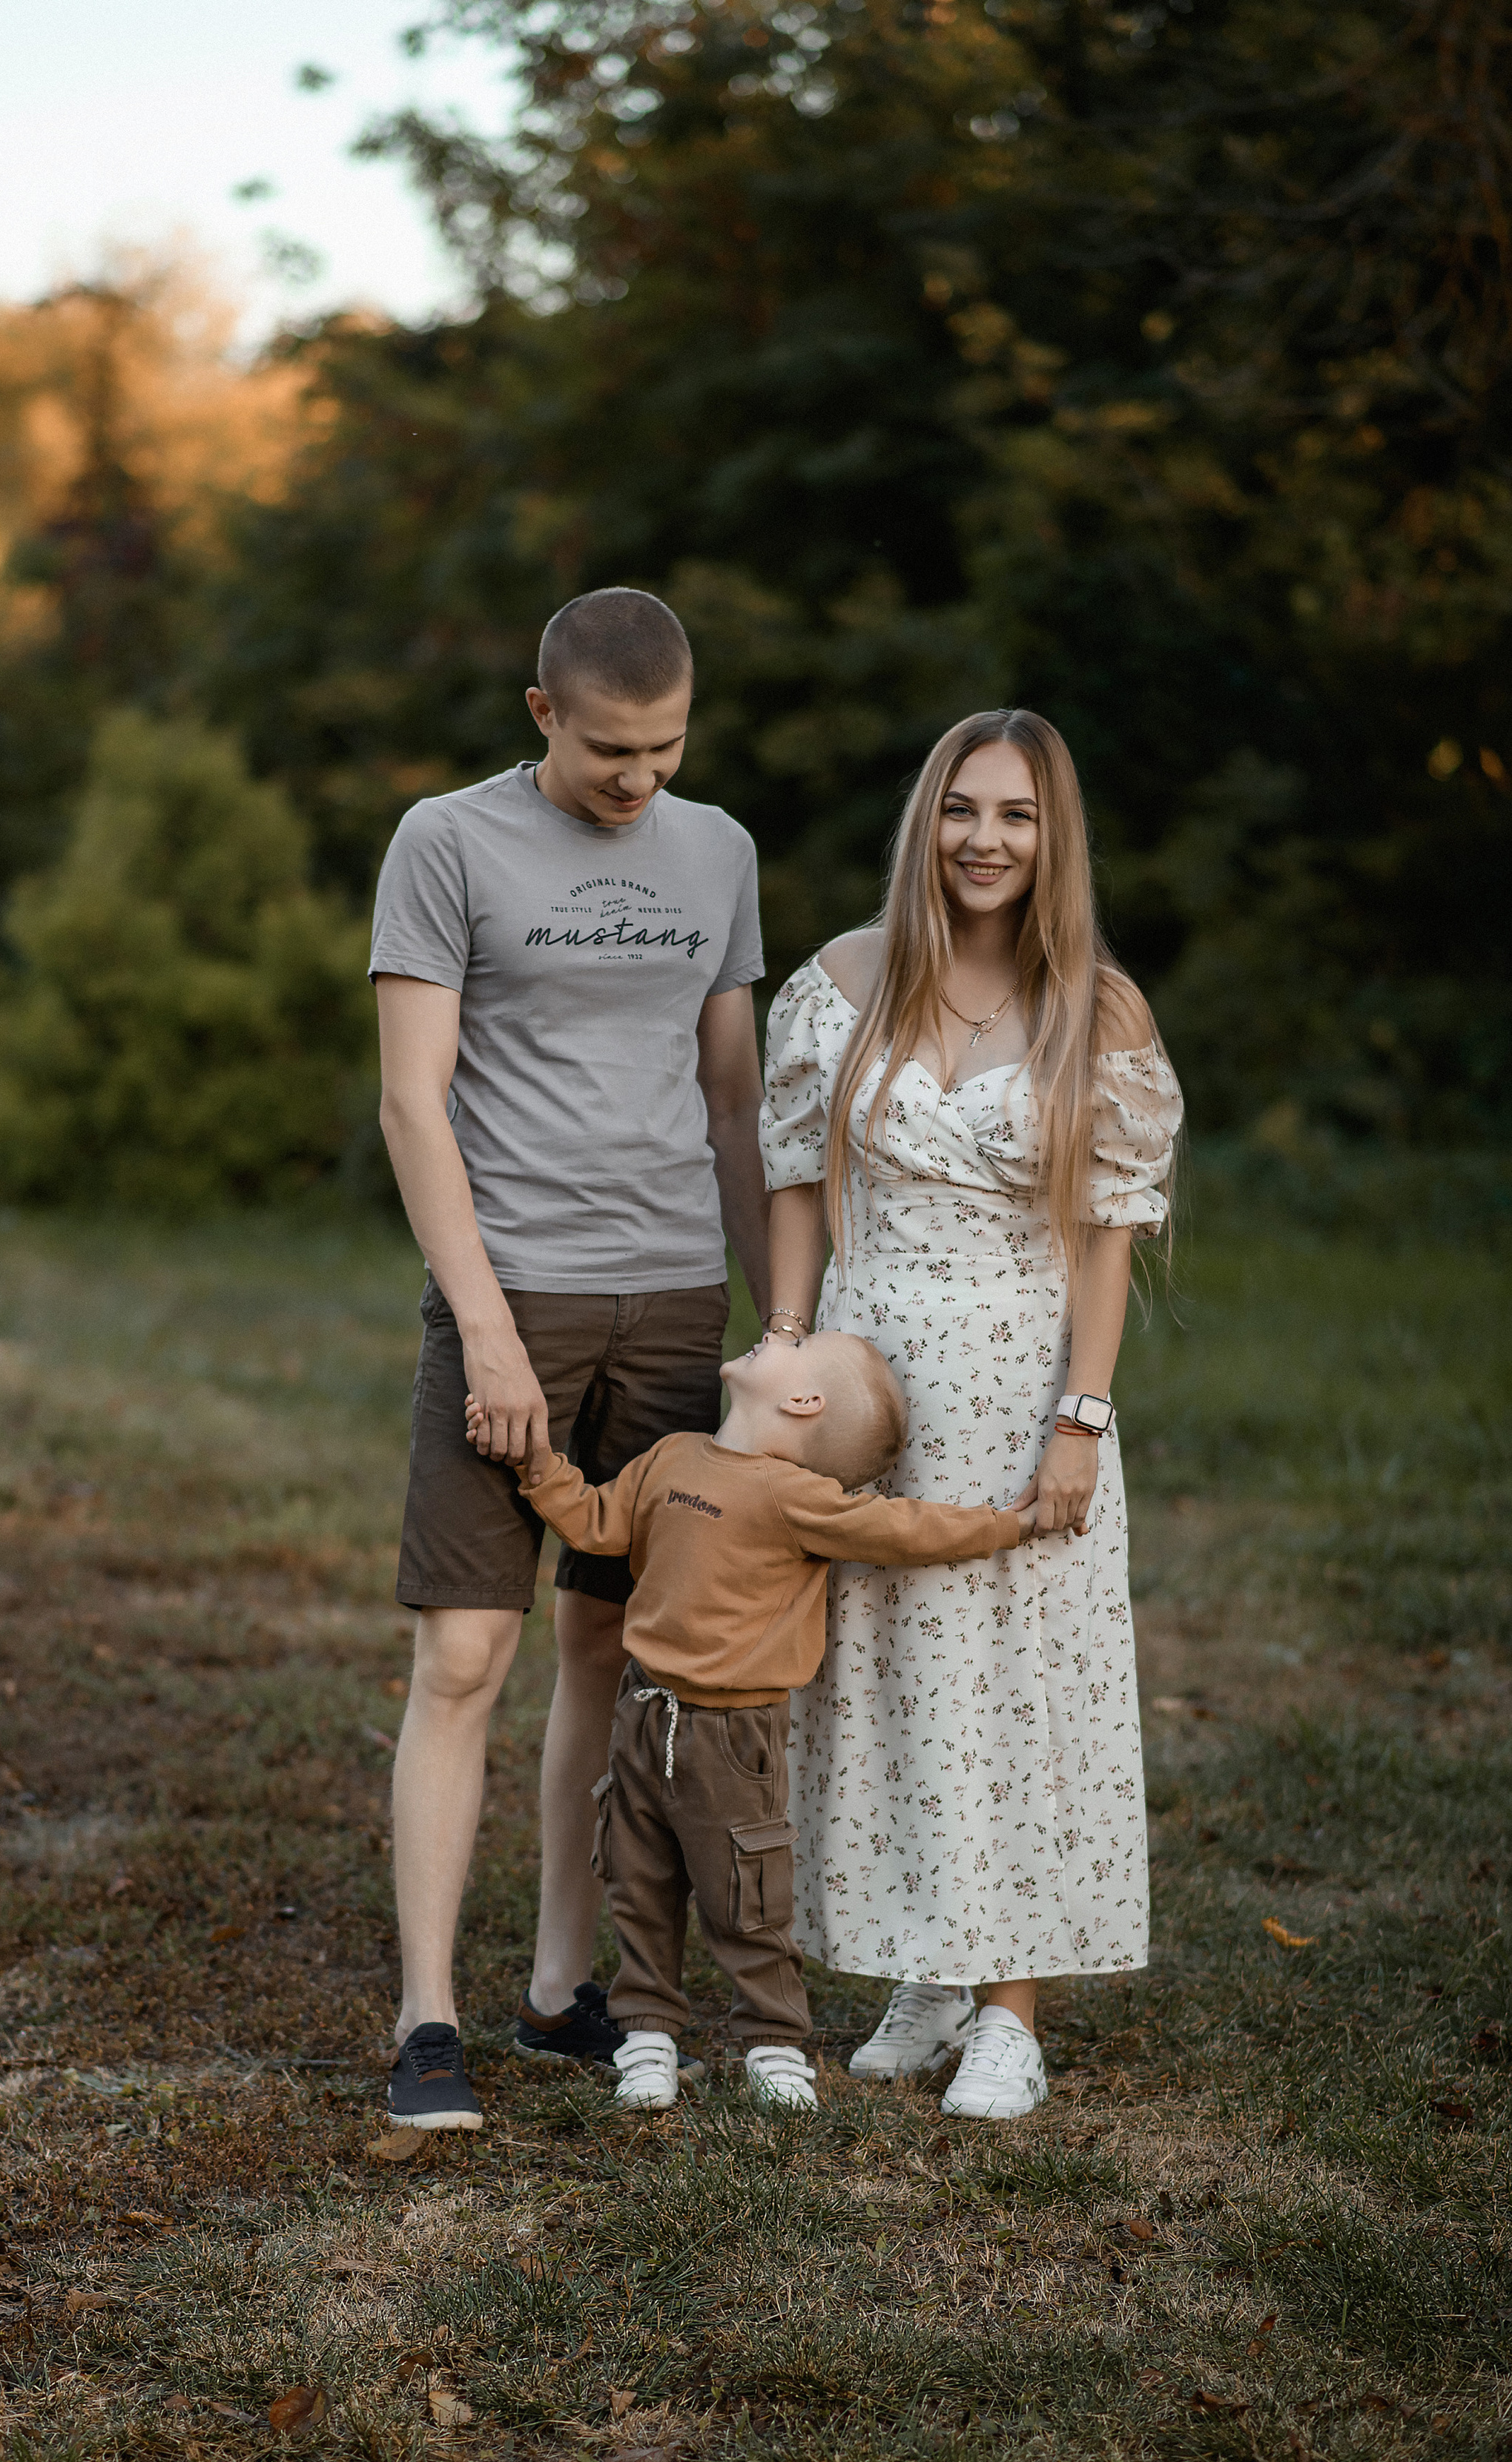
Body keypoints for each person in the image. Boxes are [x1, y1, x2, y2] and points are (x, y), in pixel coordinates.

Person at [370, 586, 771, 2132]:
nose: (638, 779)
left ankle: (558, 1987)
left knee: (605, 1648)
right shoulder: (447, 842)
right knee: (467, 1654)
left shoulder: (718, 852)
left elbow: (731, 1103)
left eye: (665, 749)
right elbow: (413, 1103)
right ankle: (426, 2020)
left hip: (671, 1303)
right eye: (610, 750)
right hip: (514, 1297)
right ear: (543, 712)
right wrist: (483, 1328)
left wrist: (776, 1316)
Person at [759, 707, 1183, 2121]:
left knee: (1015, 1688)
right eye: (961, 809)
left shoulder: (1098, 1011)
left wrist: (1082, 1418)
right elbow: (795, 1183)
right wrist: (788, 1354)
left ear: (1053, 839)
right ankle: (931, 1967)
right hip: (871, 1385)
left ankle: (1014, 2014)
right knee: (883, 1676)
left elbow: (1110, 1232)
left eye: (1015, 815)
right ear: (924, 821)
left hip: (1018, 1391)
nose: (983, 840)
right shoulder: (840, 985)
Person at [480, 1329, 1035, 2113]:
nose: (778, 1331)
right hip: (642, 1715)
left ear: (802, 1401)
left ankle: (773, 2044)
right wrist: (537, 1463)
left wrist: (1010, 1525)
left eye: (797, 1342)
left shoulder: (795, 1497)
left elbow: (906, 1529)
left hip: (733, 1741)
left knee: (748, 1899)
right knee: (638, 1884)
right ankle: (646, 2037)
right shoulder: (672, 1457)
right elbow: (599, 1522)